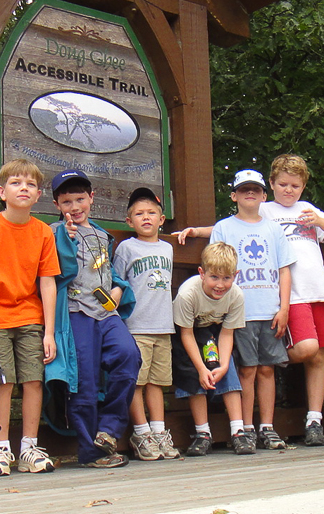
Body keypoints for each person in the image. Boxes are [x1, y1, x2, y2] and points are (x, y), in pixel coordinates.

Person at [173, 169, 296, 450]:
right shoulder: (225, 227)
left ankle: (267, 426)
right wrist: (194, 231)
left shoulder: (273, 229)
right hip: (236, 314)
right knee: (247, 370)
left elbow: (284, 268)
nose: (249, 194)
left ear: (265, 196)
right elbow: (217, 260)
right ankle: (246, 428)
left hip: (269, 310)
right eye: (243, 189)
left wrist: (284, 307)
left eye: (255, 189)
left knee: (268, 369)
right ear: (234, 195)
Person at [0, 159, 60, 477]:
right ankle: (0, 450)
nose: (24, 187)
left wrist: (49, 332)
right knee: (2, 385)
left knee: (34, 381)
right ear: (1, 191)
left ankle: (29, 448)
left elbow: (48, 281)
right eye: (17, 182)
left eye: (31, 184)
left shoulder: (43, 232)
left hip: (31, 318)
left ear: (38, 196)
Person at [45, 169, 141, 468]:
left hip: (105, 311)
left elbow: (108, 271)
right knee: (83, 380)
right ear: (57, 205)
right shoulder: (53, 232)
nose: (75, 207)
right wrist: (65, 239)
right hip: (74, 313)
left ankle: (109, 430)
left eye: (80, 199)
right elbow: (57, 273)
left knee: (128, 356)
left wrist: (117, 288)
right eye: (67, 202)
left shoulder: (102, 235)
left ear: (92, 198)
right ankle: (90, 451)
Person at [260, 154, 324, 446]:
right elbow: (235, 227)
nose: (289, 190)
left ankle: (314, 420)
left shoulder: (307, 209)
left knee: (319, 355)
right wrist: (197, 231)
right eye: (283, 184)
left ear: (302, 186)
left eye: (295, 185)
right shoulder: (264, 210)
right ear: (271, 183)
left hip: (318, 290)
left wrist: (319, 220)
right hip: (291, 293)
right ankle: (269, 361)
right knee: (305, 348)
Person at [113, 188, 180, 461]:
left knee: (158, 382)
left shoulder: (167, 248)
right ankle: (141, 432)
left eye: (151, 213)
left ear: (162, 218)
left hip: (163, 326)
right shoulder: (126, 247)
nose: (146, 218)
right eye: (139, 214)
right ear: (130, 222)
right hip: (136, 326)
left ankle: (159, 431)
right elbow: (116, 284)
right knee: (136, 383)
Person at [172, 242, 254, 456]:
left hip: (216, 332)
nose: (220, 285)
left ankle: (238, 432)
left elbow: (227, 333)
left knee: (225, 369)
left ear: (235, 276)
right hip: (188, 334)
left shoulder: (236, 295)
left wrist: (224, 365)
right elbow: (186, 334)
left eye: (227, 278)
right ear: (202, 273)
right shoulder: (187, 295)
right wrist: (201, 369)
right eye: (214, 277)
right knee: (194, 374)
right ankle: (202, 434)